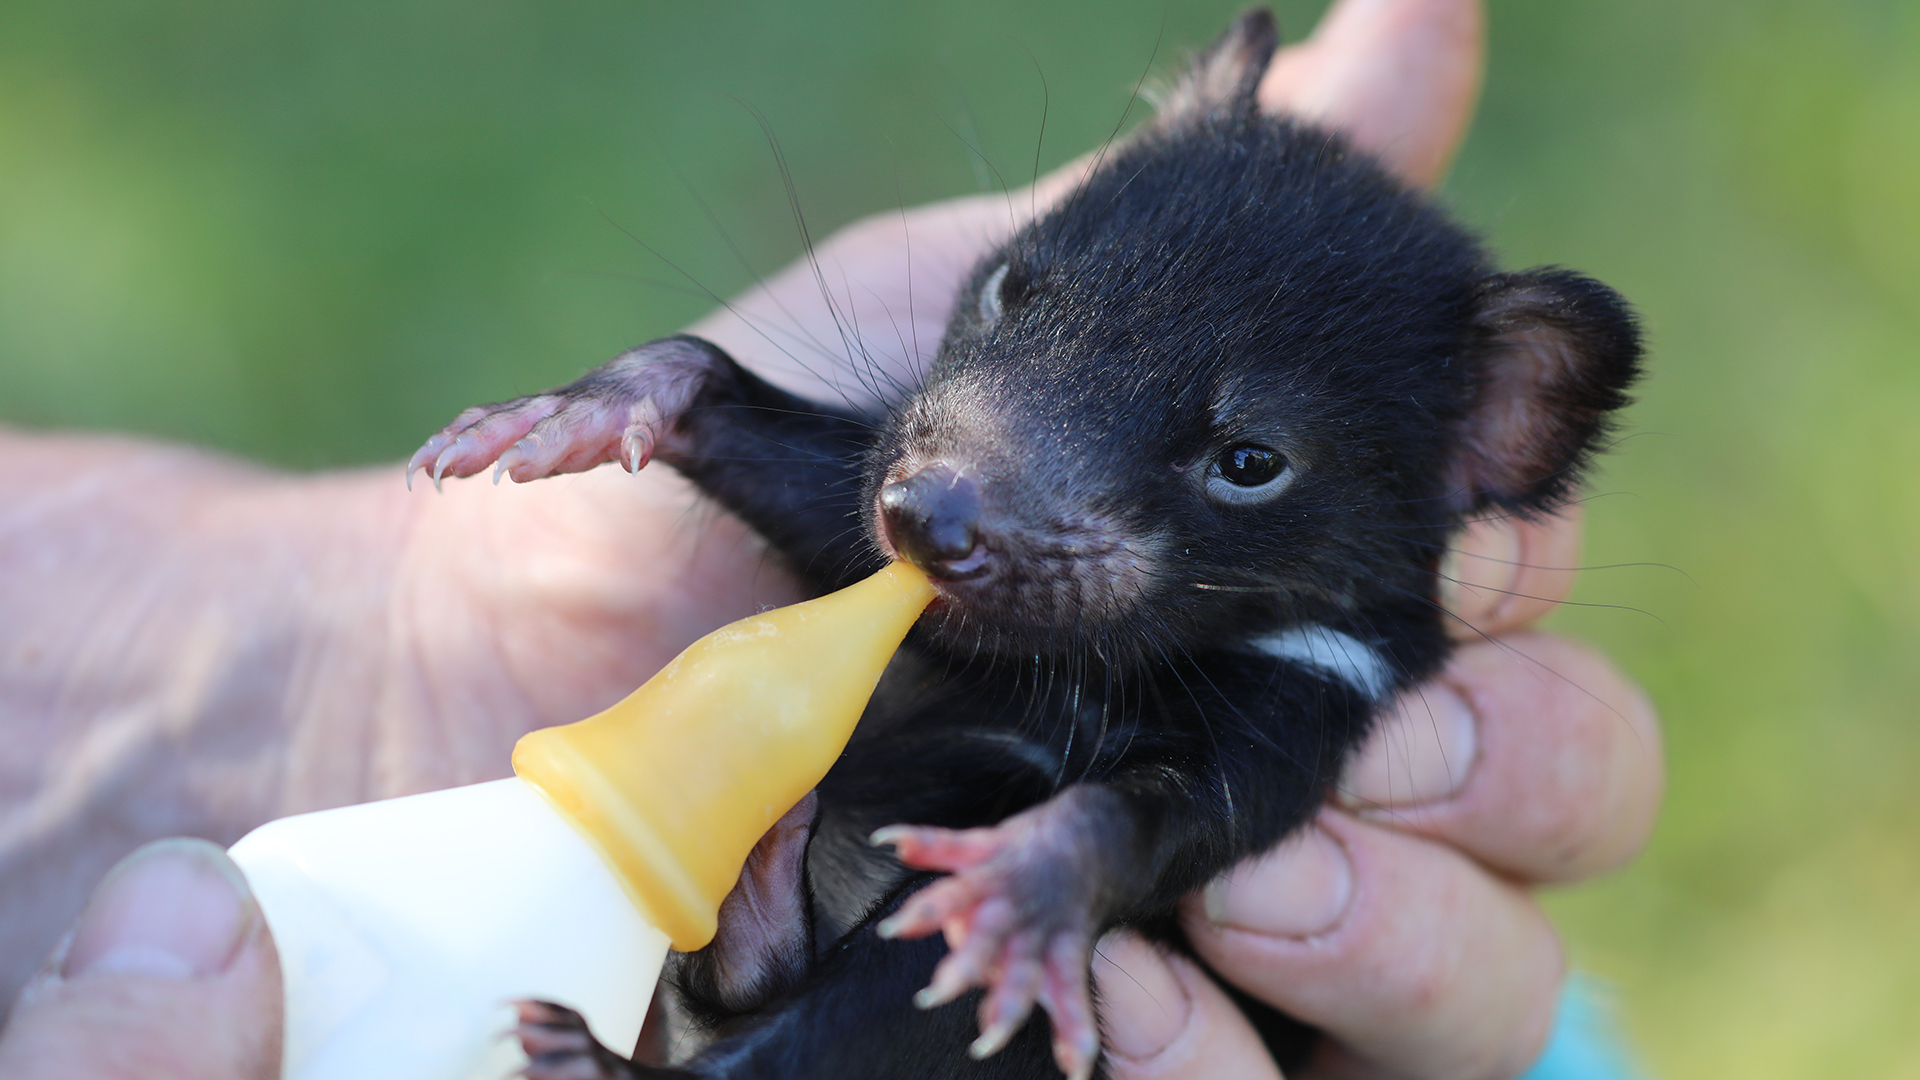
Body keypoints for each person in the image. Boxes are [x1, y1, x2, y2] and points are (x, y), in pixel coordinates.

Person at [0, 0, 1661, 1076]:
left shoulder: (1319, 657)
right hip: (743, 909)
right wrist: (695, 401)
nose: (963, 489)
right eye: (1018, 306)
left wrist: (1073, 859)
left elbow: (1193, 809)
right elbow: (864, 540)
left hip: (919, 980)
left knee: (966, 996)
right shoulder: (963, 509)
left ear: (1482, 443)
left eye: (1237, 463)